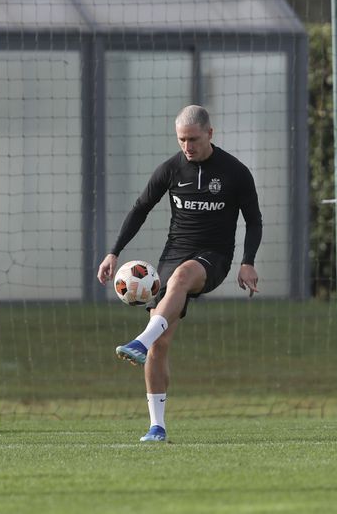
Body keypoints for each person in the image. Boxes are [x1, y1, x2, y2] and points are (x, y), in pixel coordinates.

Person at [97, 105, 263, 443]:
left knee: (184, 277)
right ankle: (156, 426)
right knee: (161, 344)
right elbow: (140, 208)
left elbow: (254, 219)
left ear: (210, 134)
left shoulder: (235, 172)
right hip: (173, 255)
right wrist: (114, 251)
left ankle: (140, 340)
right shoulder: (171, 169)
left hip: (214, 257)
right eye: (181, 140)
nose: (187, 146)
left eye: (193, 139)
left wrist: (248, 260)